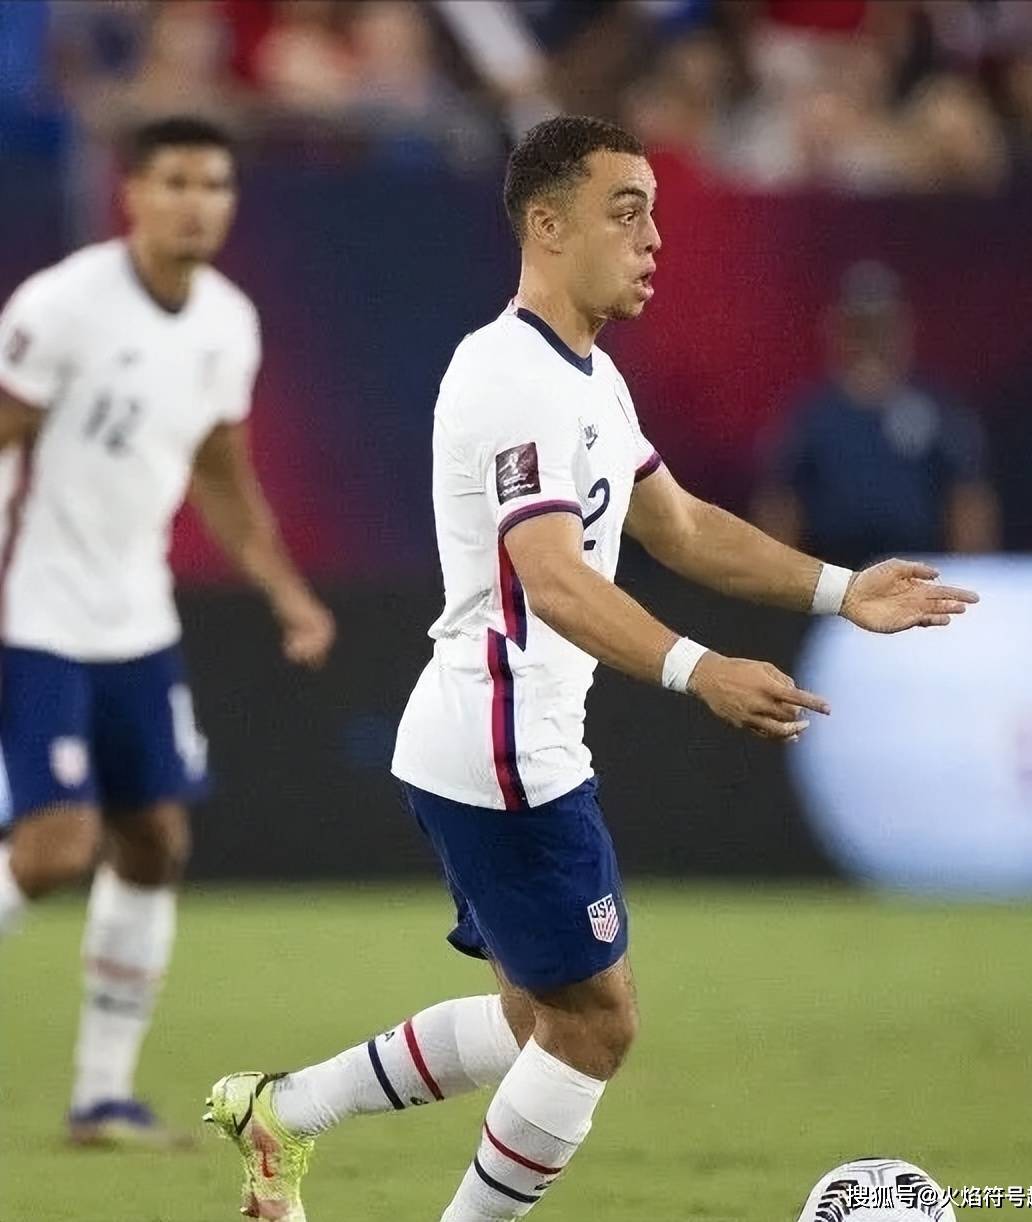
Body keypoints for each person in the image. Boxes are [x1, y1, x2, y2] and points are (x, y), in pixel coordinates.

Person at [205, 116, 976, 1222]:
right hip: (504, 744)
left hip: (499, 734)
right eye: (627, 212)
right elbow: (555, 579)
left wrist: (840, 590)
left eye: (654, 213)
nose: (654, 238)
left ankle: (281, 1110)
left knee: (541, 1019)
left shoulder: (592, 378)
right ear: (547, 223)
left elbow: (682, 525)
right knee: (596, 1026)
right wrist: (700, 667)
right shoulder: (509, 375)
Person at [0, 116, 335, 1147]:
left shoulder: (229, 322)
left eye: (215, 183)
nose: (197, 202)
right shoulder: (61, 305)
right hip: (35, 611)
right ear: (133, 193)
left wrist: (285, 590)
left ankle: (103, 1096)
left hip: (137, 619)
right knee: (55, 846)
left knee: (154, 840)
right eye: (177, 181)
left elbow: (222, 473)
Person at [753, 259, 1001, 570]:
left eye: (881, 329)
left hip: (920, 575)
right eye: (860, 330)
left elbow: (969, 503)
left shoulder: (940, 413)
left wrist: (969, 576)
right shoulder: (811, 417)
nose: (871, 344)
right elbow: (779, 508)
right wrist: (787, 581)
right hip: (837, 577)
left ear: (903, 330)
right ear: (838, 332)